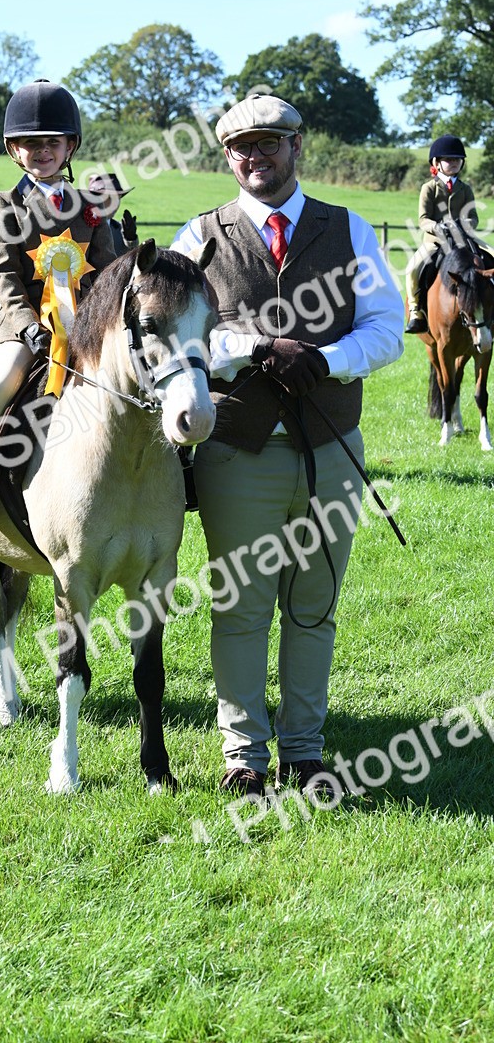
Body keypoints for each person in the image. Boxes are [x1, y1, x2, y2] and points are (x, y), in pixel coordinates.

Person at [171, 93, 403, 798]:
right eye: (240, 145)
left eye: (269, 142)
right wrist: (255, 347)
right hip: (238, 452)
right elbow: (179, 337)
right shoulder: (198, 236)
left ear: (298, 146)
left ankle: (304, 751)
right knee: (240, 610)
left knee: (313, 608)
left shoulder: (349, 228)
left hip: (332, 451)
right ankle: (244, 755)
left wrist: (326, 360)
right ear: (227, 155)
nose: (255, 155)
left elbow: (388, 326)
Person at [0, 80, 116, 537]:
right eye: (30, 144)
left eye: (51, 143)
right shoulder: (3, 203)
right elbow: (2, 274)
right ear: (13, 150)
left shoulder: (90, 206)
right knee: (4, 381)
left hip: (87, 323)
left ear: (69, 147)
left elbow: (106, 269)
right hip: (25, 325)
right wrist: (28, 327)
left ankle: (177, 469)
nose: (41, 151)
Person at [404, 135, 479, 334]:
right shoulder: (428, 188)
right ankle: (415, 312)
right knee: (412, 268)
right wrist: (439, 227)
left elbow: (473, 217)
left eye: (457, 160)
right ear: (437, 163)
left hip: (464, 240)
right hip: (436, 241)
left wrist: (462, 225)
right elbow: (423, 219)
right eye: (448, 159)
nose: (453, 163)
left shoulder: (466, 189)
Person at [87, 172, 138, 256]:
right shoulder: (80, 225)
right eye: (110, 198)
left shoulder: (121, 231)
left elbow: (131, 262)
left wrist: (131, 240)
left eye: (118, 199)